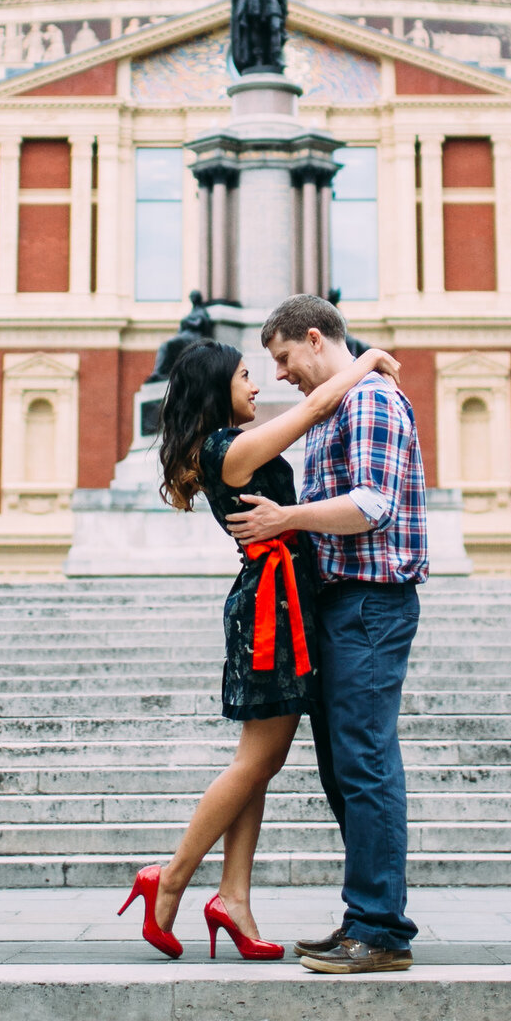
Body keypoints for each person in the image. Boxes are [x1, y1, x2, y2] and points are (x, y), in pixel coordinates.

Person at [117, 335, 403, 960]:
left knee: (260, 762)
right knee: (255, 761)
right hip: (270, 608)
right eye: (247, 375)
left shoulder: (225, 446)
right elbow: (315, 408)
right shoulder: (229, 448)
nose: (257, 386)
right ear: (218, 387)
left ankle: (234, 897)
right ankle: (167, 879)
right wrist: (367, 361)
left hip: (280, 602)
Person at [226, 293, 426, 976]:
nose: (280, 374)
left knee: (364, 763)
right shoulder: (344, 402)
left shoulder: (370, 401)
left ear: (314, 338)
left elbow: (372, 506)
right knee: (348, 767)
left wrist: (287, 518)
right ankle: (371, 917)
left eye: (283, 357)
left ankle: (379, 928)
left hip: (370, 603)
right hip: (348, 605)